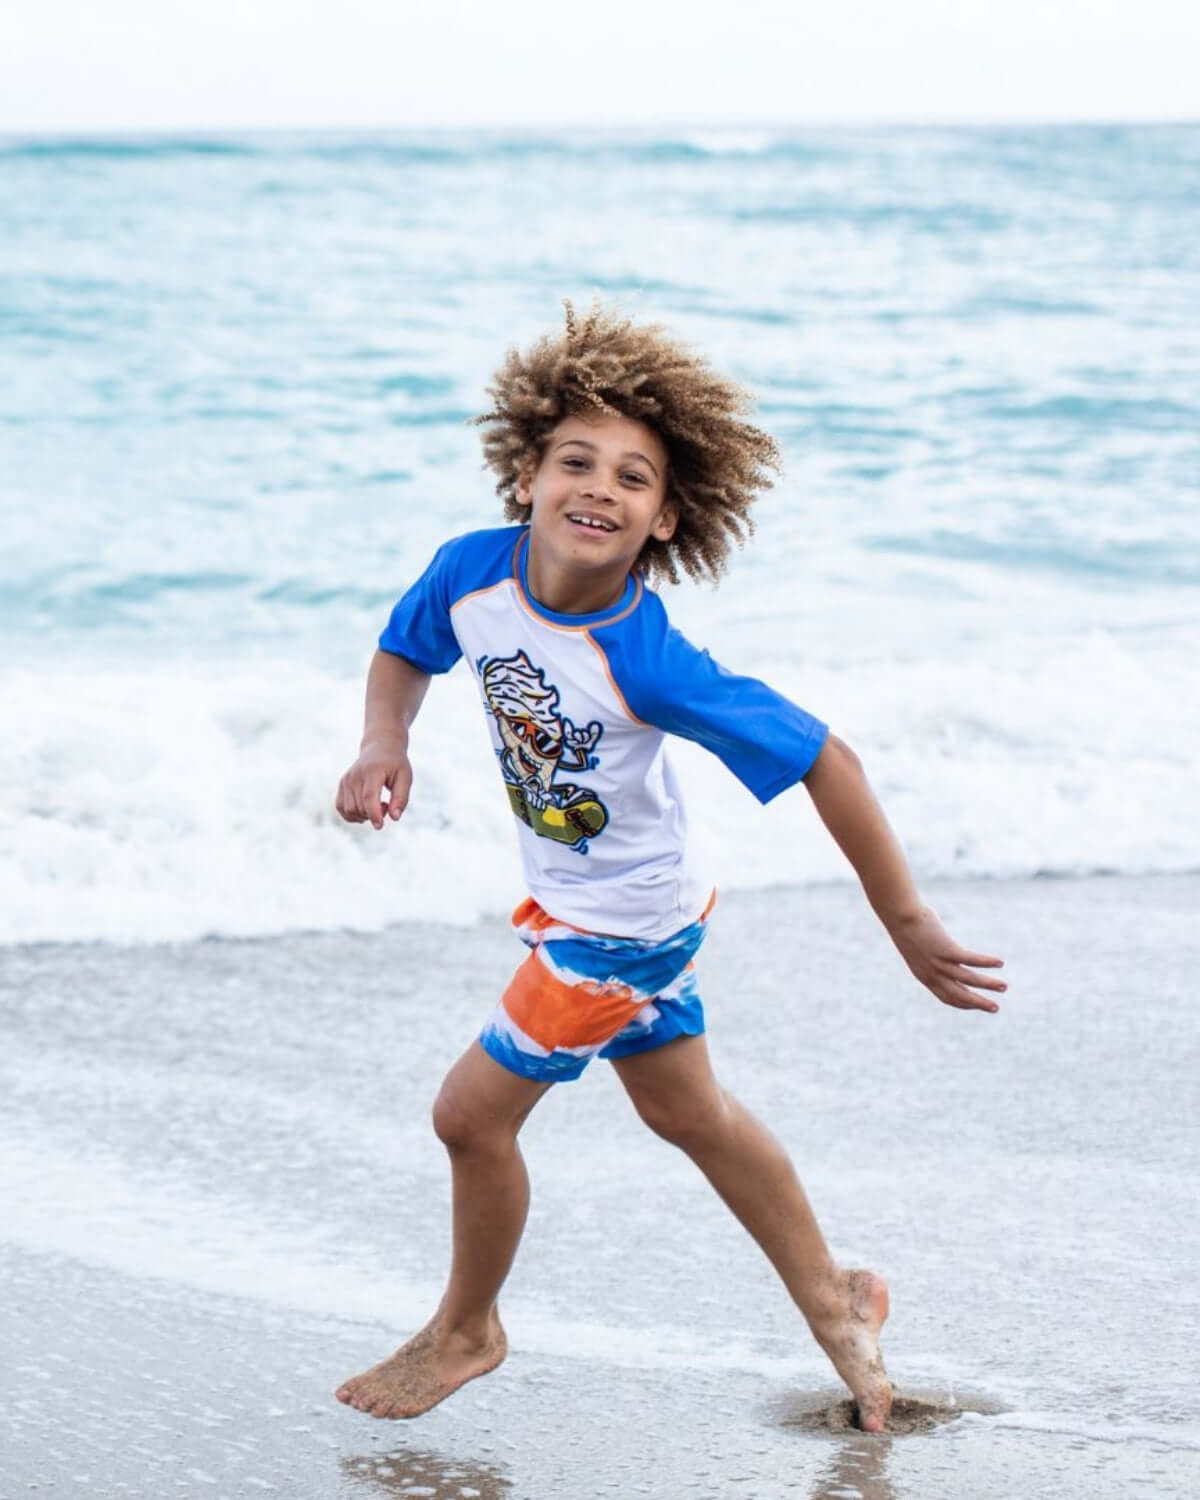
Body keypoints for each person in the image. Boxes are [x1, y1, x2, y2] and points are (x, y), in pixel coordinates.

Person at [333, 304, 1005, 1433]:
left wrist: (906, 920)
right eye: (575, 461)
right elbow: (404, 653)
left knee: (469, 1120)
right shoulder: (469, 574)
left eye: (633, 479)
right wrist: (381, 741)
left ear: (666, 519)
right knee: (688, 1113)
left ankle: (468, 1330)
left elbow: (824, 756)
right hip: (587, 902)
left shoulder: (649, 658)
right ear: (527, 474)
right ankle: (837, 1300)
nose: (598, 488)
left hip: (626, 928)